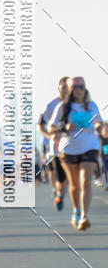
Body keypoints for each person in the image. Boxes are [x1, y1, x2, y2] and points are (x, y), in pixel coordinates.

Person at [48, 76, 102, 230]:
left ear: (85, 89)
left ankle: (84, 216)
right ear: (70, 90)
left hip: (89, 147)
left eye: (81, 87)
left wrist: (99, 126)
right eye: (75, 87)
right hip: (69, 149)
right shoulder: (62, 107)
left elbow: (98, 121)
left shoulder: (91, 106)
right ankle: (76, 211)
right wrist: (64, 127)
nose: (78, 90)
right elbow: (51, 128)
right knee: (74, 185)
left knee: (85, 182)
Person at [39, 76, 69, 211]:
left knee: (69, 175)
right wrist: (50, 135)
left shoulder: (78, 104)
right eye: (63, 87)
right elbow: (41, 126)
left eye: (68, 87)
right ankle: (57, 192)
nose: (66, 90)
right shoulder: (52, 105)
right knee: (56, 173)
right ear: (59, 88)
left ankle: (60, 192)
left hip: (74, 146)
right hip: (55, 146)